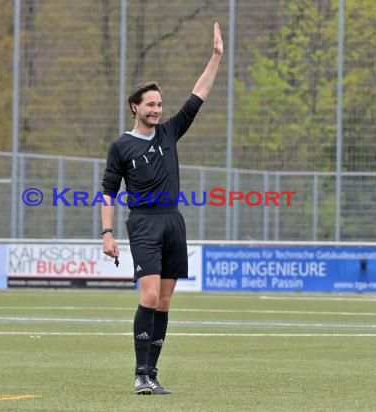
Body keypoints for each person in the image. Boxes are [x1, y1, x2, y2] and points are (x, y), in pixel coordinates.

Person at [101, 22, 223, 394]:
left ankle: (152, 375)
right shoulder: (121, 146)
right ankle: (139, 373)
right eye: (150, 105)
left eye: (159, 104)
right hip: (143, 223)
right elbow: (108, 190)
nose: (157, 109)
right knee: (149, 296)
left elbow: (198, 93)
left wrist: (216, 56)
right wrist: (107, 233)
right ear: (135, 108)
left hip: (173, 222)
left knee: (165, 301)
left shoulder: (170, 132)